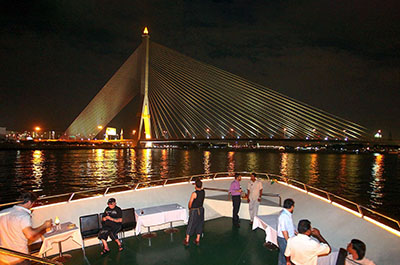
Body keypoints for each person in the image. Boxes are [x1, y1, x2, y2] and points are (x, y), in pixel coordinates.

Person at [0, 192, 52, 265]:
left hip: (3, 258)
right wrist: (44, 225)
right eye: (33, 203)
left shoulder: (2, 213)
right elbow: (30, 235)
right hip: (19, 257)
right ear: (29, 202)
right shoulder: (23, 216)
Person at [183, 179, 205, 246]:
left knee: (191, 224)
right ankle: (197, 239)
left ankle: (187, 240)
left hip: (194, 210)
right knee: (200, 223)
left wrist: (190, 209)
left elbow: (190, 202)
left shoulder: (194, 193)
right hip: (201, 209)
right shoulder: (203, 192)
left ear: (195, 186)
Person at [277, 198, 296, 265]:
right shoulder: (284, 216)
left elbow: (288, 226)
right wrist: (288, 241)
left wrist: (295, 232)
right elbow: (284, 230)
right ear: (292, 206)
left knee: (283, 255)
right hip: (284, 239)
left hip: (285, 238)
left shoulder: (286, 214)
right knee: (285, 255)